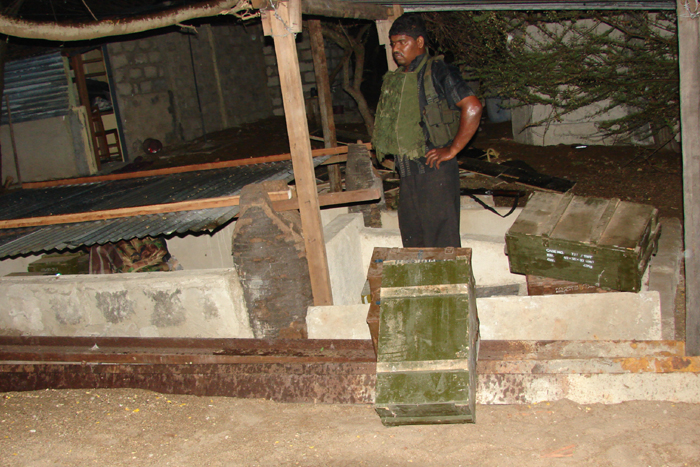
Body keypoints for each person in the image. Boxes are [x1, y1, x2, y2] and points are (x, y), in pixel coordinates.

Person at [373, 14, 483, 248]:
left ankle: (448, 275)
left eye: (402, 42)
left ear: (420, 42)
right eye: (393, 43)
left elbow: (472, 107)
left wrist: (453, 149)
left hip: (435, 170)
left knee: (443, 243)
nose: (396, 49)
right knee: (413, 240)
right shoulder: (399, 77)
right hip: (407, 172)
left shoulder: (438, 70)